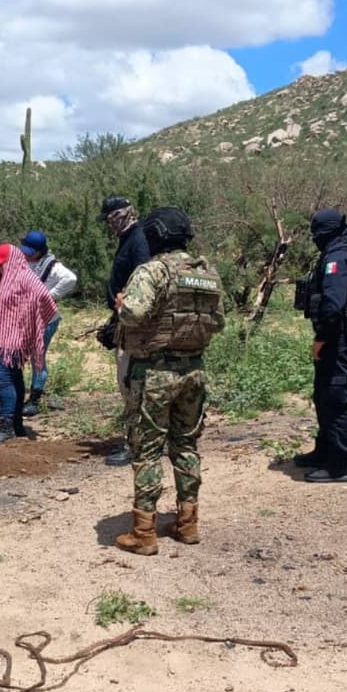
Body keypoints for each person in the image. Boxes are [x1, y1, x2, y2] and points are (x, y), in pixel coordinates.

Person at [112, 207, 224, 555]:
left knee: (147, 450)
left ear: (155, 235)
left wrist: (120, 304)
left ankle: (144, 533)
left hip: (155, 373)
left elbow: (134, 313)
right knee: (186, 446)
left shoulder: (153, 271)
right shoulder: (207, 273)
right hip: (194, 371)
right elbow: (218, 322)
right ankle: (187, 524)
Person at [292, 209, 347, 483]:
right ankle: (325, 451)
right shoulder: (346, 250)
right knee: (323, 393)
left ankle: (338, 465)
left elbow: (333, 305)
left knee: (336, 396)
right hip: (341, 331)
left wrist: (321, 340)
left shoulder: (338, 257)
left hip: (339, 333)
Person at [0, 244, 58, 447]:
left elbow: (46, 300)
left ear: (10, 262)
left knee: (3, 379)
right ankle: (16, 422)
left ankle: (7, 424)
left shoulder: (24, 277)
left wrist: (32, 322)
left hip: (15, 336)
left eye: (1, 264)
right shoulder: (8, 278)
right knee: (14, 377)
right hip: (4, 334)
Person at [100, 196, 151, 466]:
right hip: (124, 319)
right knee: (129, 383)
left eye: (111, 218)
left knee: (131, 384)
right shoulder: (129, 238)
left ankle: (137, 445)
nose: (109, 225)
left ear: (121, 215)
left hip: (134, 324)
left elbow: (143, 281)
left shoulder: (138, 239)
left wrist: (127, 313)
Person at [20, 230, 77, 416]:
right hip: (27, 318)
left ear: (40, 251)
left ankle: (35, 398)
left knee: (38, 357)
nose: (26, 254)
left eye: (30, 251)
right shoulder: (29, 262)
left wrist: (50, 296)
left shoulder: (53, 267)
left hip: (46, 320)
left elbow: (70, 279)